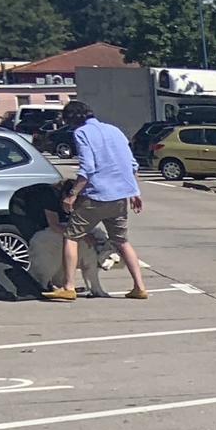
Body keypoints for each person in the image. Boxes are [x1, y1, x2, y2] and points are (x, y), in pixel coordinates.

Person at [49, 102, 150, 301]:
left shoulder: (81, 133)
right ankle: (139, 287)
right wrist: (134, 191)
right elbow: (131, 164)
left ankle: (68, 286)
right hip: (119, 196)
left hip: (95, 196)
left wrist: (72, 194)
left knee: (71, 236)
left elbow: (87, 167)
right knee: (121, 241)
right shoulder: (114, 130)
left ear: (72, 120)